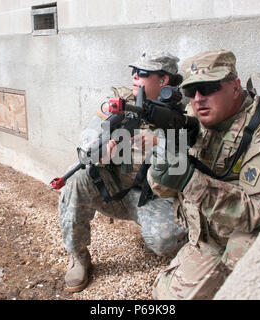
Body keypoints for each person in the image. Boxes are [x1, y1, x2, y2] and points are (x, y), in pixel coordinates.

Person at [147, 49, 260, 299]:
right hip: (213, 232)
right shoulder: (196, 120)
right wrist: (161, 170)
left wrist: (188, 180)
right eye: (191, 92)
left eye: (209, 87)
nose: (199, 98)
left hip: (258, 232)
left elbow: (257, 211)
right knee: (165, 294)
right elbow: (165, 190)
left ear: (235, 87)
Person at [58, 52, 189, 292]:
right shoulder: (121, 101)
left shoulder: (184, 111)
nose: (135, 76)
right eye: (134, 71)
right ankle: (78, 255)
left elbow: (187, 162)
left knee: (165, 240)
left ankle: (191, 256)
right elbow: (90, 133)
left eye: (144, 73)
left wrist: (160, 143)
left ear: (164, 81)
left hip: (155, 197)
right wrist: (99, 149)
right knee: (76, 178)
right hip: (116, 189)